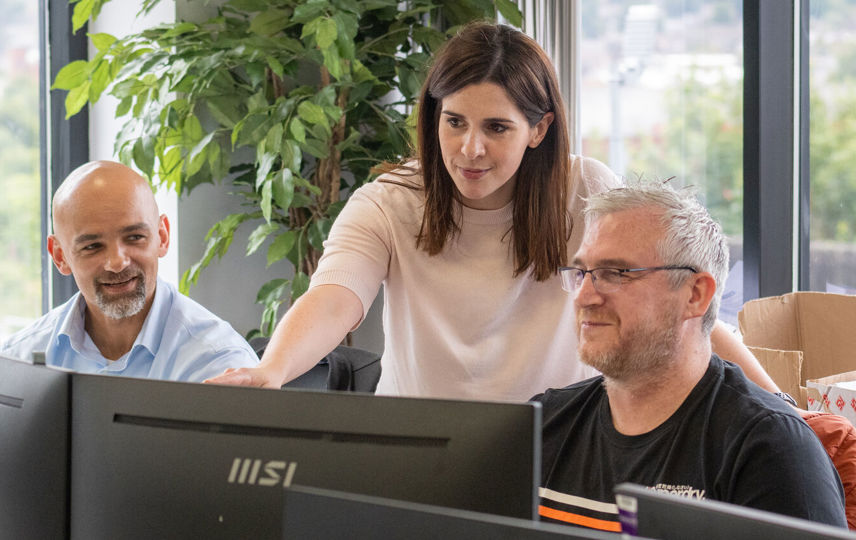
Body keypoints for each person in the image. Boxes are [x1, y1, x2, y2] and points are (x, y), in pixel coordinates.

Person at [206, 21, 778, 401]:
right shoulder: (388, 201)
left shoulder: (585, 188)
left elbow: (676, 300)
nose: (469, 149)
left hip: (557, 440)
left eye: (496, 127)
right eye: (453, 121)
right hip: (421, 447)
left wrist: (782, 406)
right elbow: (333, 298)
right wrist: (272, 370)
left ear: (539, 129)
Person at [535, 182, 847, 531]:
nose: (584, 297)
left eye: (615, 274)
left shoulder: (770, 447)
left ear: (695, 295)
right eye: (581, 274)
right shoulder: (544, 423)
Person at [2, 160, 258, 381]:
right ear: (60, 256)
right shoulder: (17, 360)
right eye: (92, 246)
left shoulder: (219, 365)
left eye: (135, 237)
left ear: (162, 236)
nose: (117, 262)